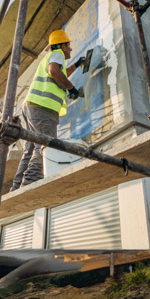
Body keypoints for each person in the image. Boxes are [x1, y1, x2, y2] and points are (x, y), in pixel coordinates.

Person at [10, 29, 88, 191]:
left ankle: (16, 187)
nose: (70, 49)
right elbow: (55, 71)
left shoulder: (53, 58)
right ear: (61, 45)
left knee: (31, 148)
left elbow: (60, 72)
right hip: (43, 108)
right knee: (46, 145)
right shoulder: (57, 53)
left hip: (32, 106)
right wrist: (71, 88)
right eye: (69, 46)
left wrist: (77, 65)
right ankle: (32, 183)